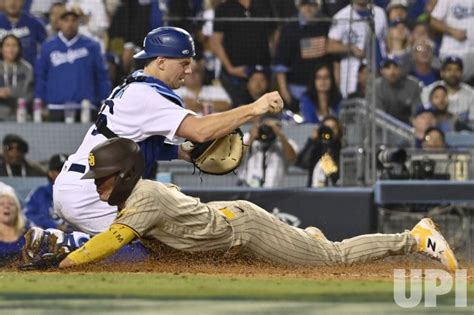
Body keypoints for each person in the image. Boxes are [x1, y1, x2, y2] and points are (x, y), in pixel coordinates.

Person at [45, 137, 458, 272]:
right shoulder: (137, 195)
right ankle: (305, 238)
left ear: (127, 173)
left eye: (102, 178)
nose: (97, 187)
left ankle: (414, 238)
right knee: (310, 248)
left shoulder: (145, 197)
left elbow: (109, 244)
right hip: (228, 232)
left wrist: (63, 264)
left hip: (245, 231)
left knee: (332, 259)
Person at [52, 26, 283, 235]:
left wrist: (181, 153)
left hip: (84, 182)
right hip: (93, 191)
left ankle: (64, 241)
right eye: (183, 62)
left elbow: (133, 144)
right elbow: (200, 131)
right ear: (161, 62)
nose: (190, 70)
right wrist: (255, 108)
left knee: (151, 247)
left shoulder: (136, 84)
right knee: (154, 248)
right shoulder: (147, 95)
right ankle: (67, 242)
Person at [34, 7, 111, 122]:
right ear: (59, 22)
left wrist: (104, 101)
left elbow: (102, 76)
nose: (69, 24)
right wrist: (39, 101)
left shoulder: (92, 46)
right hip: (55, 106)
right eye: (66, 20)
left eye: (73, 20)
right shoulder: (48, 46)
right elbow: (40, 76)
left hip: (86, 107)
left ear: (79, 22)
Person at [210, 0, 277, 106]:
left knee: (267, 109)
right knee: (238, 111)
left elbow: (275, 34)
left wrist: (273, 62)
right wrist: (230, 68)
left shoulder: (265, 4)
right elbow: (215, 42)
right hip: (235, 73)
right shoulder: (224, 8)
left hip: (262, 72)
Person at [273, 0, 331, 110]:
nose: (308, 8)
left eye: (312, 5)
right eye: (304, 5)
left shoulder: (326, 25)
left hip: (321, 90)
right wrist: (284, 92)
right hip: (296, 90)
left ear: (318, 6)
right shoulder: (289, 28)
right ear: (298, 6)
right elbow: (280, 63)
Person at [327, 0, 388, 97]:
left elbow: (385, 42)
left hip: (379, 71)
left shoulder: (380, 13)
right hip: (352, 75)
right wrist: (351, 48)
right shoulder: (341, 16)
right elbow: (330, 46)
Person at [237, 117, 297, 188]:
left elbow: (292, 158)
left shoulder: (285, 142)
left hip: (273, 191)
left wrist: (281, 136)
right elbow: (234, 160)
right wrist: (251, 139)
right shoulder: (247, 138)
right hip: (246, 188)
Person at [429, 0, 474, 80]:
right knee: (451, 82)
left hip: (472, 50)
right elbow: (434, 21)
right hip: (453, 49)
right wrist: (452, 31)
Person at [23, 153, 69, 230]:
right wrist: (54, 226)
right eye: (59, 170)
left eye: (67, 170)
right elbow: (27, 215)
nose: (64, 174)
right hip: (47, 239)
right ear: (50, 173)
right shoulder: (38, 194)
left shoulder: (81, 193)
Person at [422, 56, 474, 123]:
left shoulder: (471, 94)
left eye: (457, 70)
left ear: (462, 73)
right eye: (449, 70)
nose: (453, 73)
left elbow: (472, 122)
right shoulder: (429, 90)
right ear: (442, 73)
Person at [296, 116, 342, 187]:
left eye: (333, 128)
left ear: (339, 131)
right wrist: (311, 141)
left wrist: (327, 154)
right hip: (312, 194)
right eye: (326, 128)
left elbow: (336, 176)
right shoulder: (316, 148)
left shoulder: (341, 151)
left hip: (333, 194)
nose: (329, 131)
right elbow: (302, 163)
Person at [375, 57, 421, 124]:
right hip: (383, 127)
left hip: (407, 126)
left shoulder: (412, 85)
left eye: (395, 67)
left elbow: (417, 111)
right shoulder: (377, 86)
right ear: (382, 71)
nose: (392, 71)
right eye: (387, 67)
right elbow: (378, 114)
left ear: (401, 69)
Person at [0, 0, 47, 66]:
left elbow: (47, 49)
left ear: (23, 1)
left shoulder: (35, 23)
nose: (12, 3)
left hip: (28, 73)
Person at [0, 34, 34, 121]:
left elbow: (29, 94)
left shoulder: (27, 68)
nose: (11, 49)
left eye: (14, 45)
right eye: (7, 45)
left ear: (19, 49)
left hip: (21, 115)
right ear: (1, 49)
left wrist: (10, 92)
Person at [0, 186, 26, 266]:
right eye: (1, 204)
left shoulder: (28, 235)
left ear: (17, 210)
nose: (7, 206)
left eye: (11, 204)